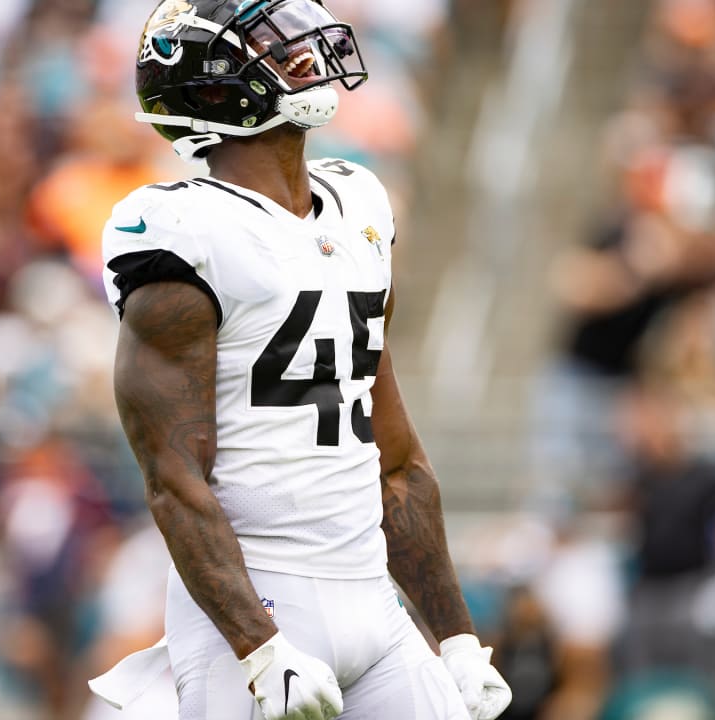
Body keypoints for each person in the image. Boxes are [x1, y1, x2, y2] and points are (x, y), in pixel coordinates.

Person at [89, 1, 513, 719]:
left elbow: (395, 460)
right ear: (219, 85)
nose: (302, 53)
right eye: (270, 44)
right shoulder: (184, 232)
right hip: (258, 600)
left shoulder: (359, 204)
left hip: (370, 596)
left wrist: (457, 639)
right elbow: (173, 479)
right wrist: (260, 648)